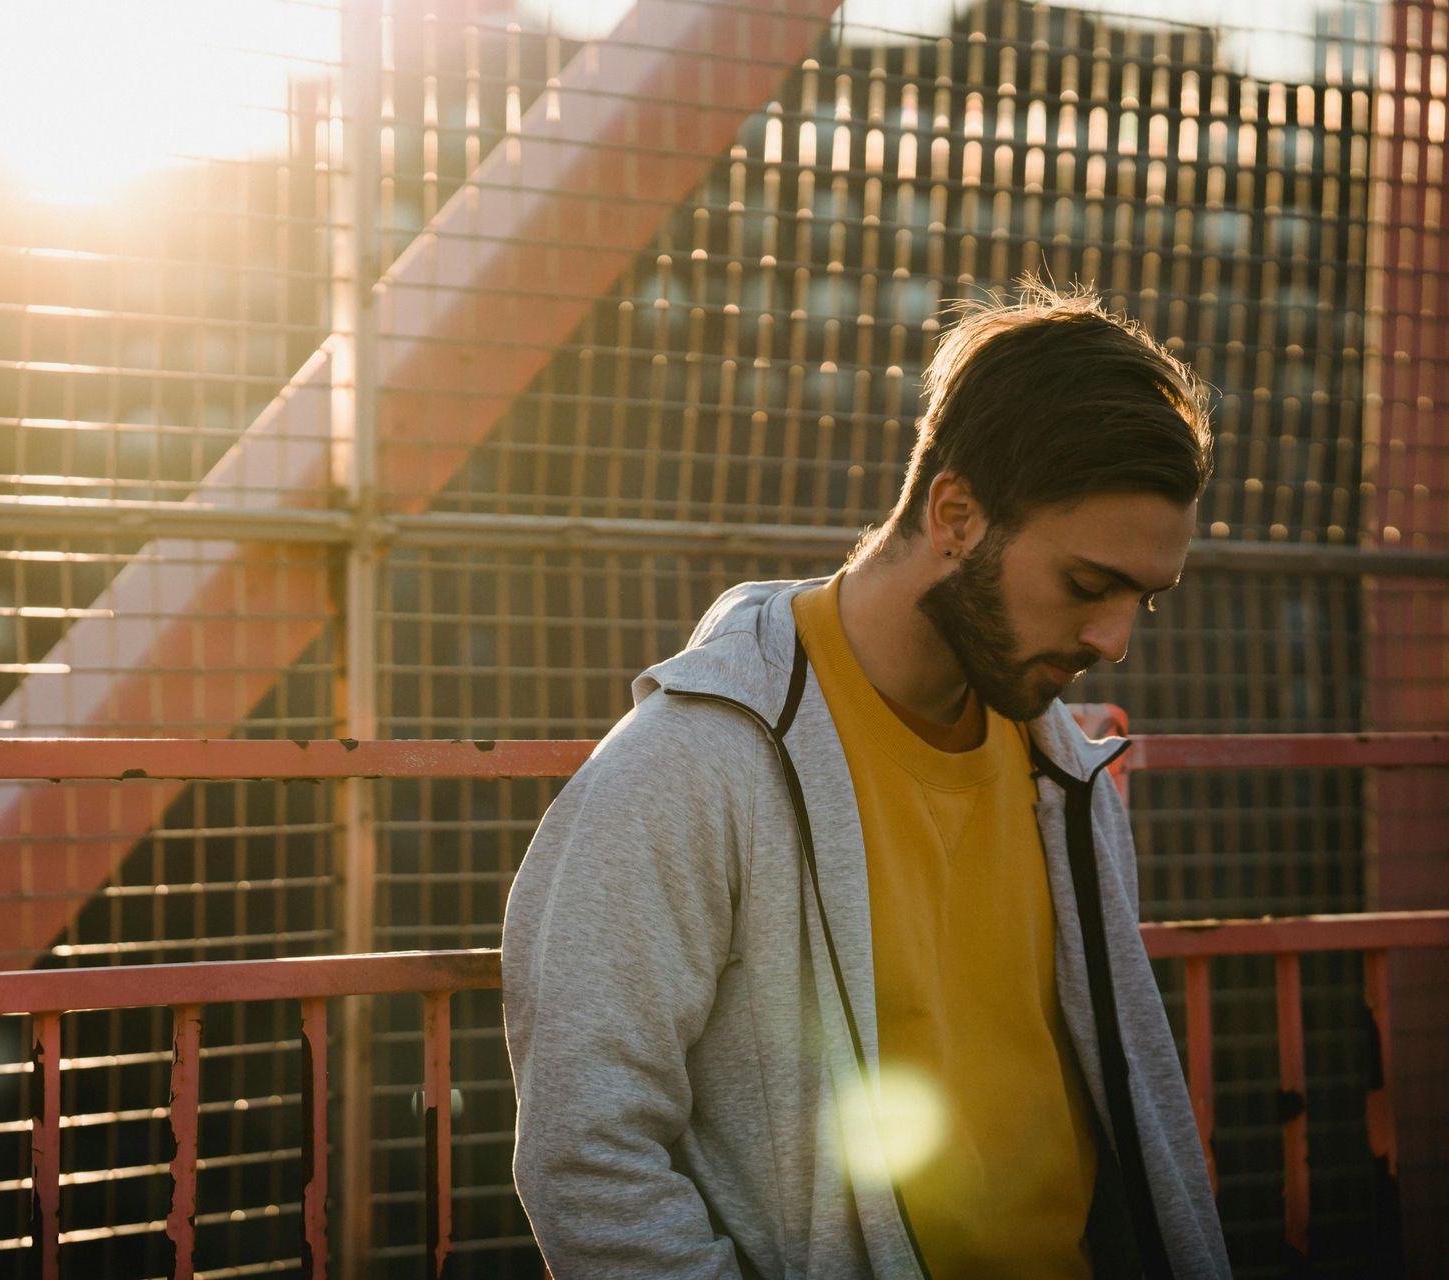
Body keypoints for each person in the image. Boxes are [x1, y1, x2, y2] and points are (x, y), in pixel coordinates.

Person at [501, 280, 1232, 1279]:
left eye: (1140, 601)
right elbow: (586, 1154)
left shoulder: (1065, 771)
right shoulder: (690, 762)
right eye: (1086, 584)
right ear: (956, 513)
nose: (1111, 637)